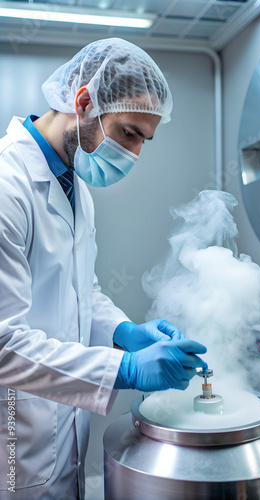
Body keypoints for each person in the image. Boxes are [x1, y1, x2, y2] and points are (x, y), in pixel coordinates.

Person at [0, 38, 207, 499]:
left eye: (143, 141)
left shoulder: (77, 188)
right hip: (11, 444)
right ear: (84, 102)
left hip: (62, 442)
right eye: (129, 133)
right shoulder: (6, 187)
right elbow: (3, 346)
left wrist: (123, 332)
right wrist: (125, 369)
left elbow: (81, 293)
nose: (133, 154)